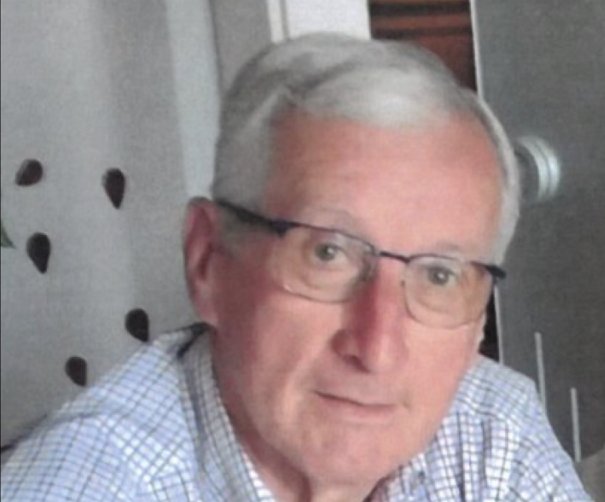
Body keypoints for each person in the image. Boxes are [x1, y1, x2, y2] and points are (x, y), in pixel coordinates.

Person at [1, 33, 589, 501]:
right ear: (208, 261)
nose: (377, 348)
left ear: (478, 320)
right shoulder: (83, 487)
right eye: (327, 253)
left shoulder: (492, 429)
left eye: (440, 276)